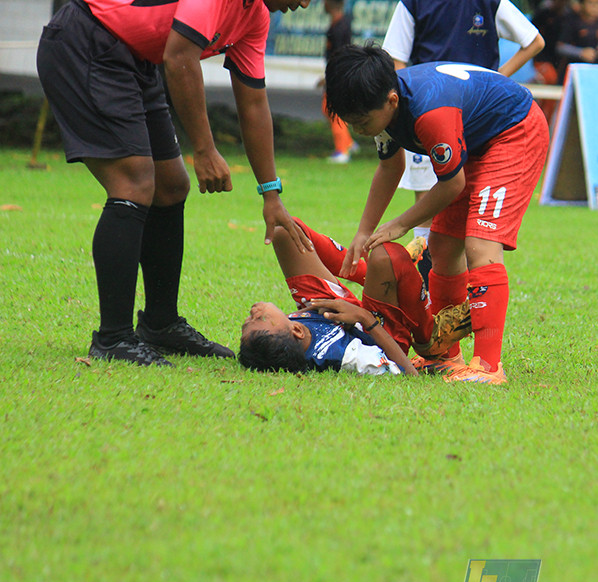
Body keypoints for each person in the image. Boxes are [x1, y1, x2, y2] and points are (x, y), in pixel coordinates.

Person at [35, 0, 315, 367]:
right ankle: (113, 337)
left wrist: (271, 193)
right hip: (88, 42)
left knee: (170, 186)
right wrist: (204, 149)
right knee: (134, 183)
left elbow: (253, 104)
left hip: (139, 59)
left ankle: (160, 323)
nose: (305, 3)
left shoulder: (256, 17)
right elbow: (180, 55)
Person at [324, 44, 550, 385]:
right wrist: (363, 231)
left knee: (480, 242)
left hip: (514, 133)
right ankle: (446, 356)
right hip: (478, 141)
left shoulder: (431, 114)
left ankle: (489, 367)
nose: (358, 129)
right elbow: (390, 168)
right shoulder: (381, 101)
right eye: (351, 122)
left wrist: (401, 224)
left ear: (391, 101)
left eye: (362, 121)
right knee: (442, 247)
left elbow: (451, 184)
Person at [381, 0, 544, 245]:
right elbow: (396, 60)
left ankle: (453, 278)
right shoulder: (414, 3)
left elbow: (534, 41)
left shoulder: (489, 2)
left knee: (466, 214)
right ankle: (427, 279)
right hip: (426, 115)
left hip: (477, 121)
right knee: (431, 207)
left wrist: (497, 79)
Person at [238, 218, 471, 375]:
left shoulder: (289, 335)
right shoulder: (344, 357)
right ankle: (427, 336)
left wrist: (310, 311)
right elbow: (406, 372)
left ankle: (378, 275)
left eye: (246, 323)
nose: (251, 314)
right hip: (377, 328)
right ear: (296, 331)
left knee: (286, 230)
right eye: (258, 320)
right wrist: (363, 316)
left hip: (329, 310)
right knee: (386, 255)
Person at [321, 0, 358, 163]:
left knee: (333, 110)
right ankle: (348, 143)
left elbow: (340, 55)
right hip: (335, 74)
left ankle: (342, 149)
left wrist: (333, 76)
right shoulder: (338, 24)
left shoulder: (340, 27)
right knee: (327, 107)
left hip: (338, 75)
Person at [556, 0, 598, 82]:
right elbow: (560, 47)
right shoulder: (572, 22)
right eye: (591, 3)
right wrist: (581, 53)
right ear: (582, 5)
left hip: (593, 70)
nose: (594, 7)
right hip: (573, 70)